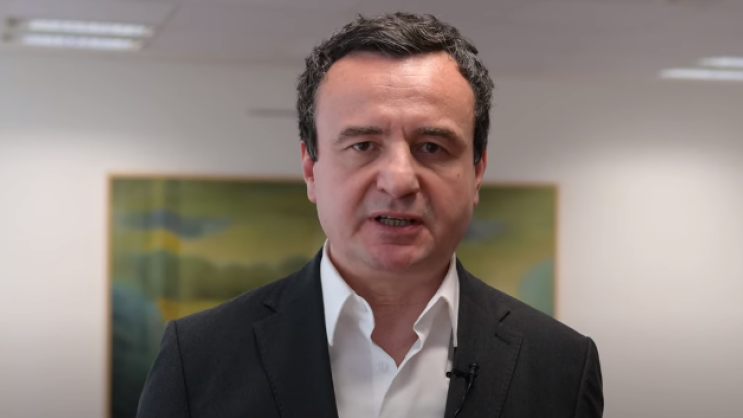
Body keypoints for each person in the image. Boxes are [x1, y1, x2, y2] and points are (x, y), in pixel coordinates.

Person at [137, 12, 603, 418]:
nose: (399, 181)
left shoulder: (561, 365)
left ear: (477, 172)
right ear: (311, 169)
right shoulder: (197, 358)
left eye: (432, 147)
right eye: (363, 145)